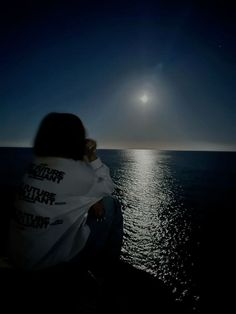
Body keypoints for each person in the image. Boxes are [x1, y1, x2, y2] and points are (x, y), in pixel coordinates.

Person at [8, 112, 123, 275]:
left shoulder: (33, 167)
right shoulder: (76, 173)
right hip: (50, 266)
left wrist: (90, 202)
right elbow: (108, 187)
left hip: (20, 256)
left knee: (92, 204)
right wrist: (91, 155)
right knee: (112, 203)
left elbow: (65, 190)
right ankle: (108, 271)